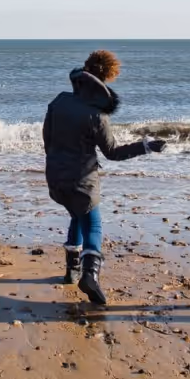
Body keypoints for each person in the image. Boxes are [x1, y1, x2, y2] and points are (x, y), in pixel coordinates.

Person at [43, 50, 166, 305]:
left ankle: (71, 270)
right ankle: (90, 275)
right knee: (93, 224)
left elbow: (48, 141)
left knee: (77, 216)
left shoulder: (58, 102)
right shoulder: (97, 115)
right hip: (82, 181)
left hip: (55, 178)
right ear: (106, 80)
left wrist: (58, 163)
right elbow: (112, 153)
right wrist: (145, 146)